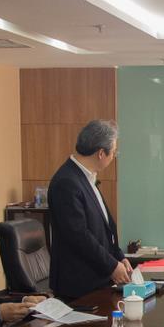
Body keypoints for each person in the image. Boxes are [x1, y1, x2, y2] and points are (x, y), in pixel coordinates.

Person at [48, 119, 131, 299]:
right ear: (101, 153)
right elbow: (79, 236)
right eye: (113, 152)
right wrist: (111, 266)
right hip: (79, 285)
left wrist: (119, 257)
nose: (113, 157)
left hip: (97, 279)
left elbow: (104, 229)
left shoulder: (87, 178)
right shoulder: (66, 182)